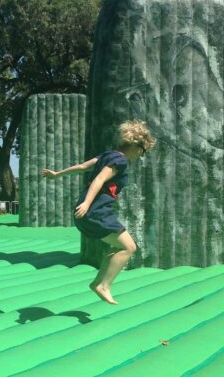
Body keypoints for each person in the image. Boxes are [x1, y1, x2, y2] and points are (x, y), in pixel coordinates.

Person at [41, 120, 156, 305]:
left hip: (88, 213)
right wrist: (87, 203)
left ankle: (98, 283)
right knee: (129, 247)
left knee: (117, 247)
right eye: (142, 152)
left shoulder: (107, 155)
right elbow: (100, 180)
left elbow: (82, 167)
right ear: (136, 145)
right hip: (96, 212)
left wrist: (57, 174)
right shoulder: (121, 161)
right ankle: (104, 285)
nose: (140, 156)